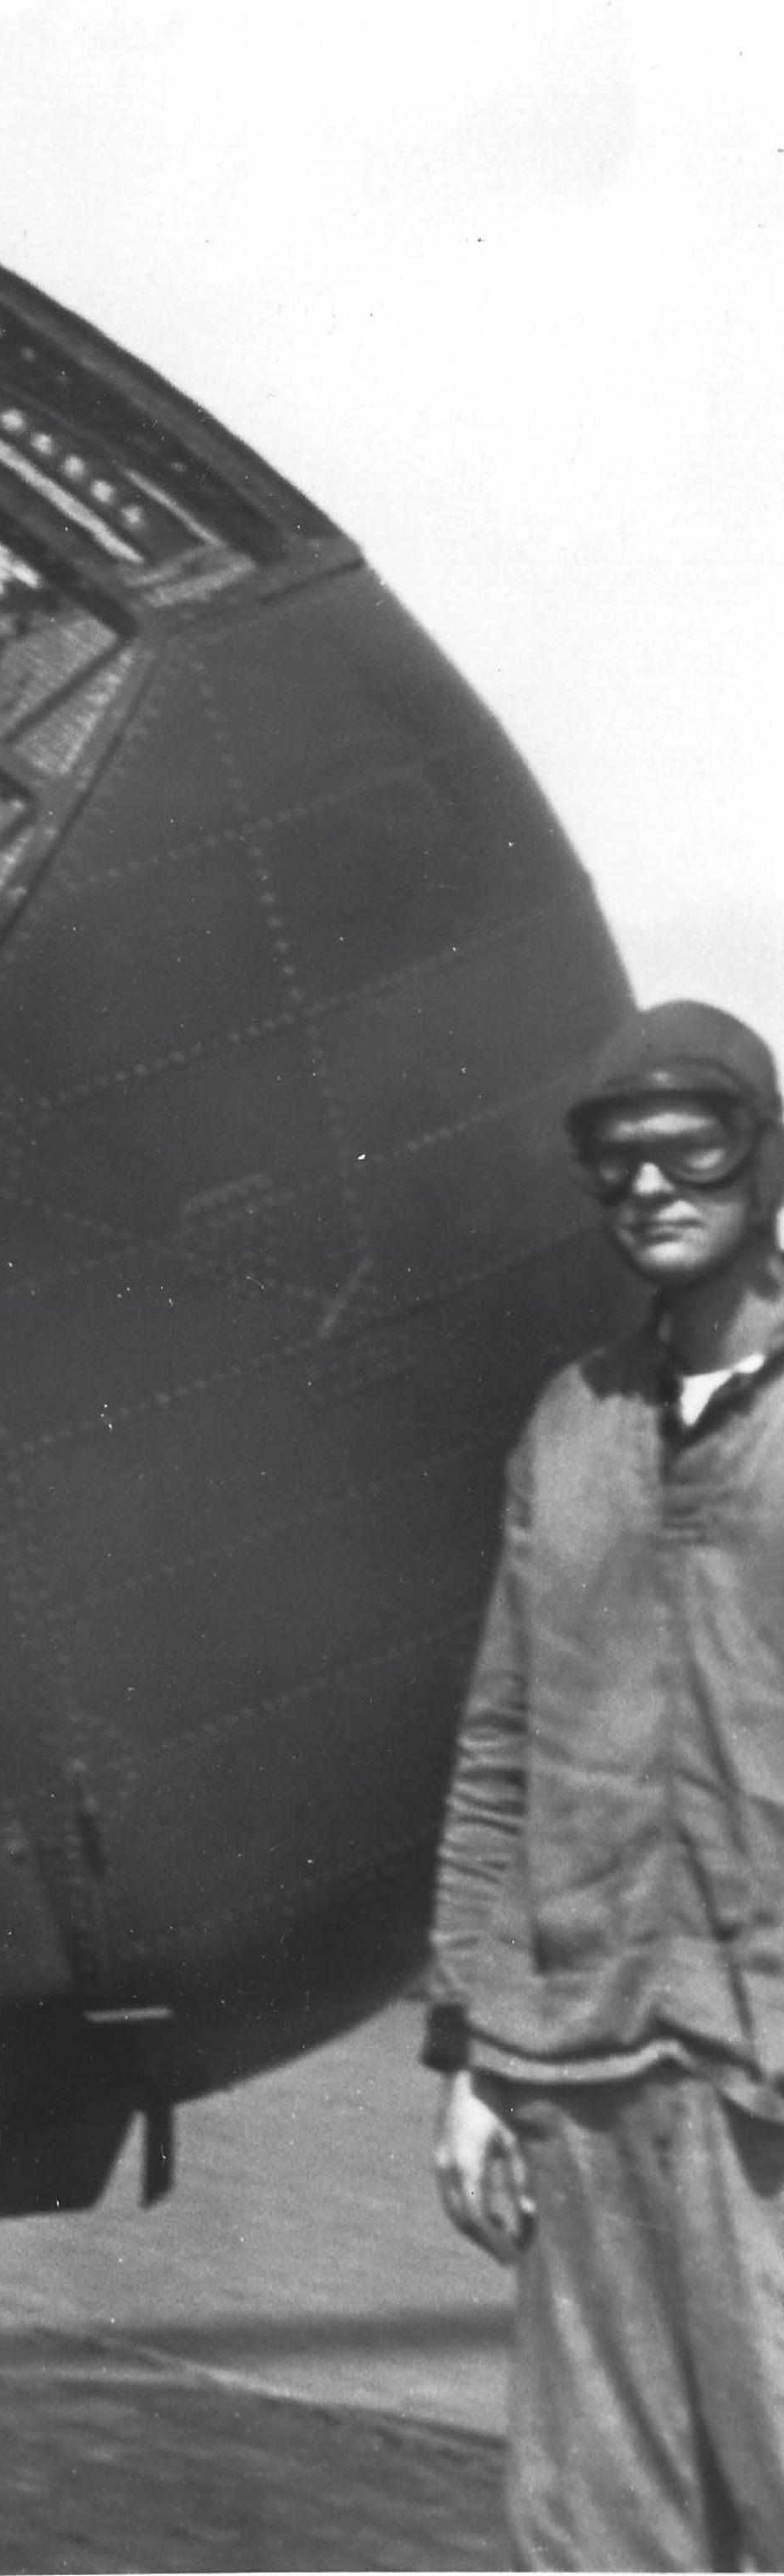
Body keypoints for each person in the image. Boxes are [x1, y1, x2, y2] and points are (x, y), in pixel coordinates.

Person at [429, 997, 784, 2568]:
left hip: (766, 2073)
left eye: (690, 1146)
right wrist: (471, 2054)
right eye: (616, 1160)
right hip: (580, 2066)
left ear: (767, 1160)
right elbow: (502, 1743)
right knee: (603, 2544)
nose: (650, 1184)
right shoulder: (570, 1423)